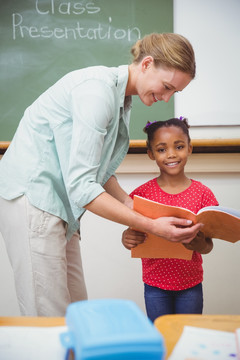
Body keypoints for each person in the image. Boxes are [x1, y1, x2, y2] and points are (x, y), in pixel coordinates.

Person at [0, 33, 202, 316]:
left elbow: (97, 170)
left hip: (59, 206)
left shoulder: (121, 99)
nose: (166, 98)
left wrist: (133, 205)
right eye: (166, 86)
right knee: (46, 316)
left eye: (174, 93)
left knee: (76, 311)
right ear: (146, 64)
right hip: (35, 198)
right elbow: (83, 188)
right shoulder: (97, 94)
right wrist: (151, 226)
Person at [122, 118, 219, 322]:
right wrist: (126, 238)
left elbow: (208, 246)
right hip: (154, 284)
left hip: (191, 285)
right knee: (162, 334)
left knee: (187, 334)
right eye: (162, 149)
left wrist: (200, 244)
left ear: (189, 149)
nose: (172, 154)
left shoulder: (203, 194)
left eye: (179, 146)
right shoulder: (141, 195)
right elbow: (131, 233)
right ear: (151, 154)